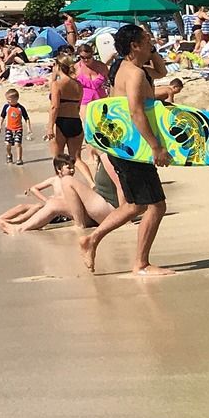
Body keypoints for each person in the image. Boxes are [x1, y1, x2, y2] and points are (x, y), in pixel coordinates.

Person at [80, 24, 172, 278]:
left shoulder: (125, 67)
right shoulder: (134, 74)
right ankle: (141, 264)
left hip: (123, 146)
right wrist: (156, 147)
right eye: (146, 39)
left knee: (134, 206)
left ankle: (92, 239)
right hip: (134, 148)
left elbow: (162, 70)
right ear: (134, 45)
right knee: (156, 205)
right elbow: (135, 111)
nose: (150, 40)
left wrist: (151, 49)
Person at [46, 52, 84, 162]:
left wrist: (50, 127)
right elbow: (78, 105)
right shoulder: (78, 85)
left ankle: (61, 179)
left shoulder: (57, 84)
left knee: (58, 159)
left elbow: (54, 107)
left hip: (61, 122)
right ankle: (90, 179)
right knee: (76, 159)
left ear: (57, 66)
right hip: (75, 121)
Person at [0, 89, 31, 165]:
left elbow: (26, 118)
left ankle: (19, 159)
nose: (7, 101)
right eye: (7, 99)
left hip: (18, 129)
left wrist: (28, 128)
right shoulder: (6, 107)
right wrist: (0, 125)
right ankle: (9, 154)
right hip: (9, 128)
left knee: (17, 144)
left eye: (9, 99)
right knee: (7, 144)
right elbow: (2, 116)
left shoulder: (21, 108)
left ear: (16, 99)